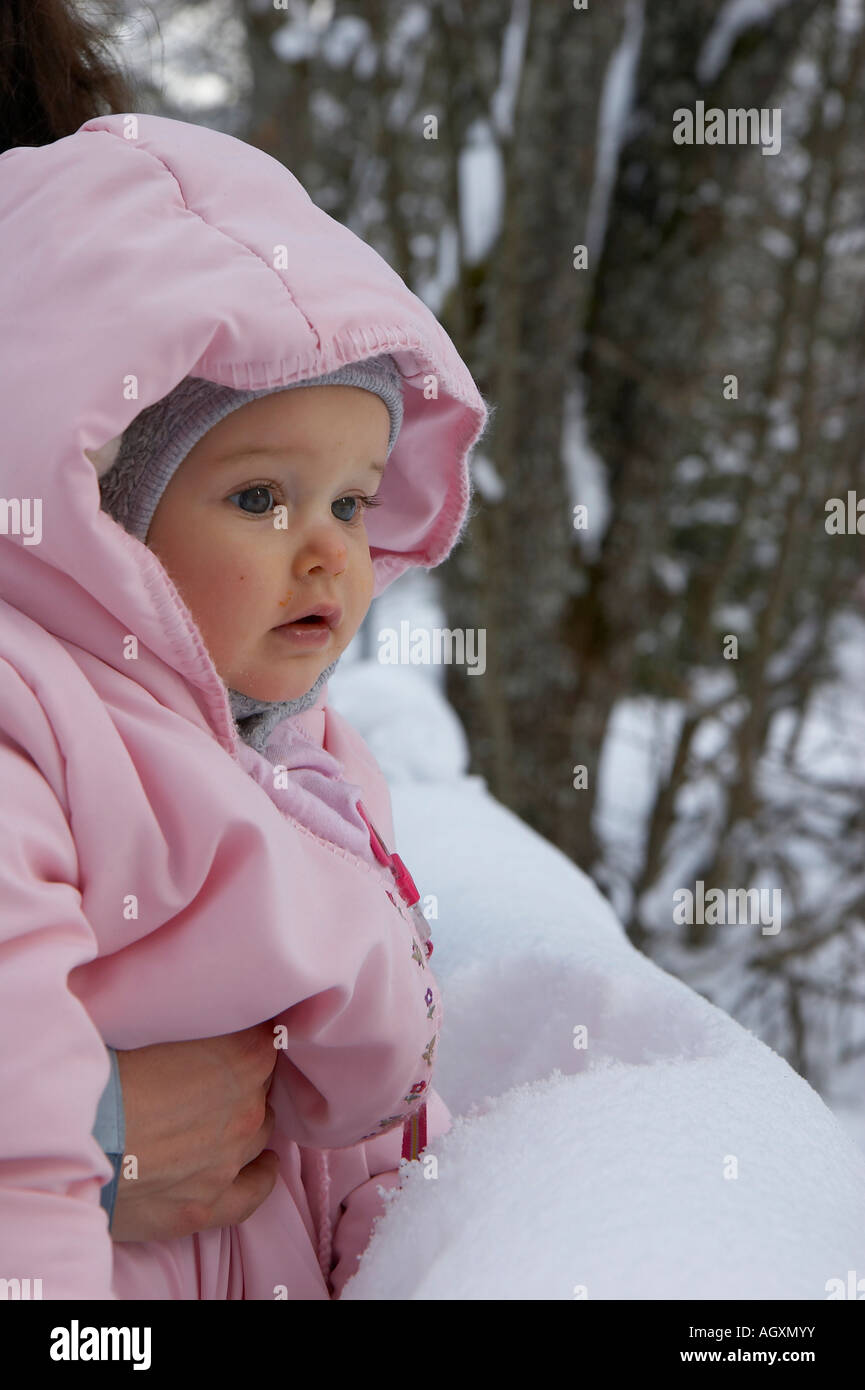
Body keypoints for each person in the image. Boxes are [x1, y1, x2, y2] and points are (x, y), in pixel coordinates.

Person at [0, 14, 489, 1300]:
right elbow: (20, 1119)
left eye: (351, 502)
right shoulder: (31, 729)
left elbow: (378, 1116)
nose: (329, 551)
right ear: (101, 519)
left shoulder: (310, 762)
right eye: (262, 500)